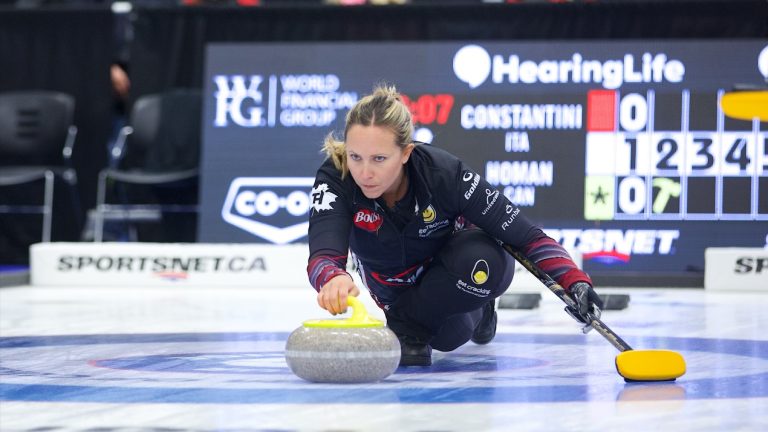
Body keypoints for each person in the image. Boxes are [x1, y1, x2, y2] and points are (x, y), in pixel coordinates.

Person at [306, 84, 603, 367]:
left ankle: (467, 311)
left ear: (406, 153)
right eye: (356, 156)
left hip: (450, 274)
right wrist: (332, 278)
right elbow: (323, 254)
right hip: (394, 292)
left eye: (379, 158)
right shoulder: (336, 176)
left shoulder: (444, 173)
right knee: (449, 337)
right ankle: (423, 320)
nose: (365, 172)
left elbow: (524, 236)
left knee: (487, 260)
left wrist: (575, 281)